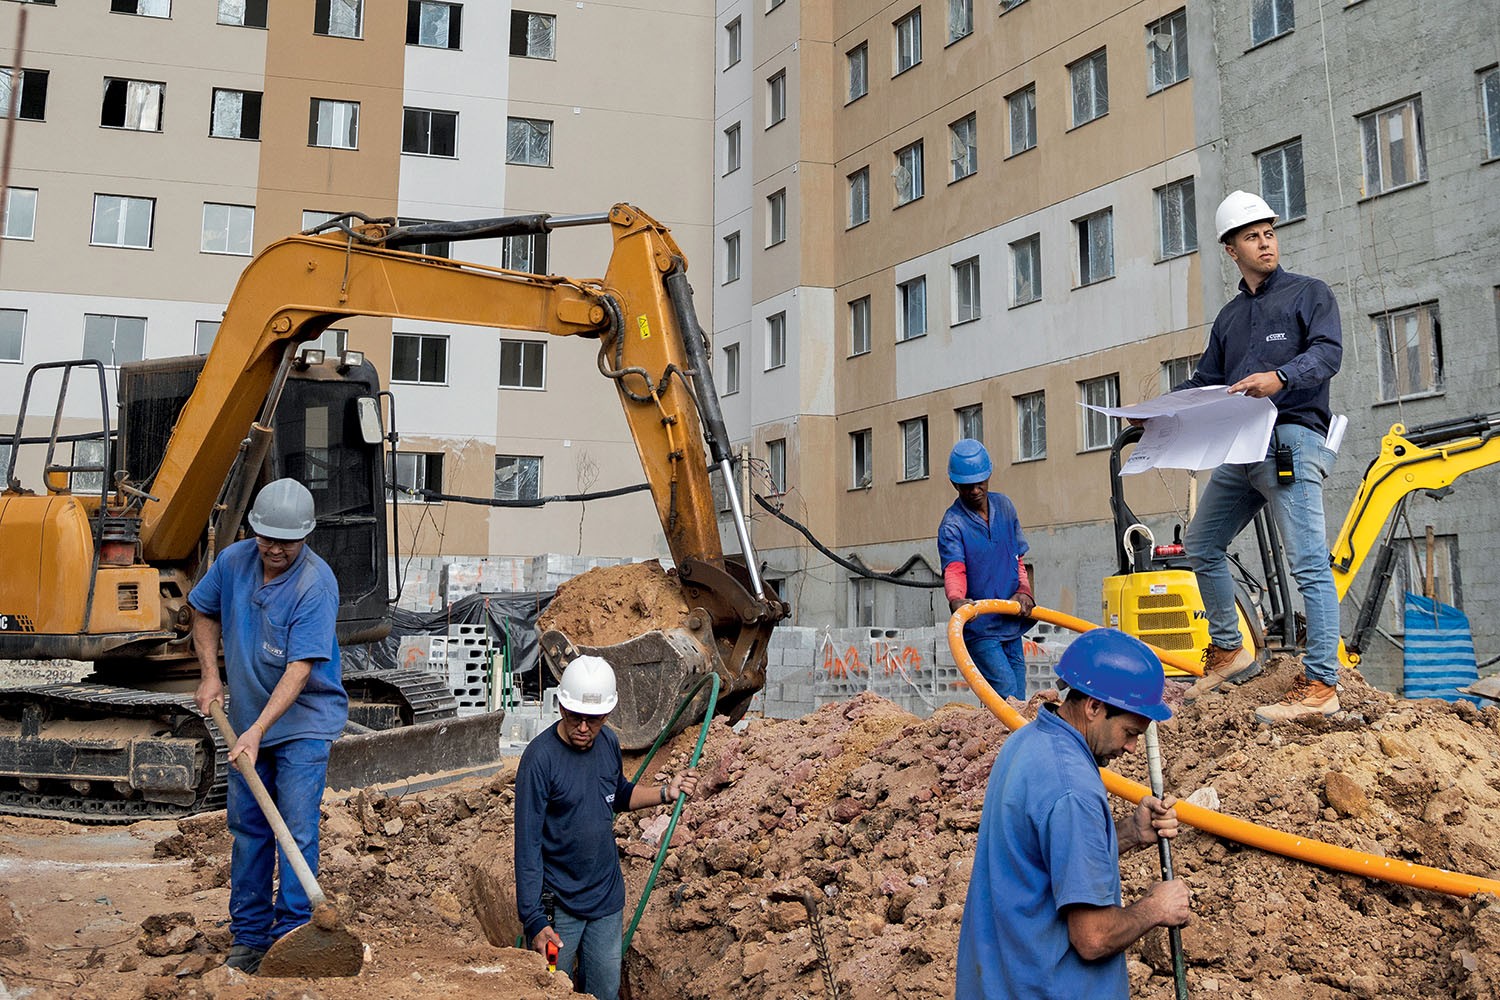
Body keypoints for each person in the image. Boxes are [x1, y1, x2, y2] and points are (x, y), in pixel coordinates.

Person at [1171, 190, 1344, 723]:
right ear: (1231, 250)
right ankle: (1230, 649)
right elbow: (1206, 383)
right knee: (1200, 543)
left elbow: (1328, 354)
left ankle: (1322, 683)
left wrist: (1282, 377)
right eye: (1252, 236)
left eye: (1269, 232)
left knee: (1309, 563)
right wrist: (1160, 413)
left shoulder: (1308, 294)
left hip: (1291, 438)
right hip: (1243, 447)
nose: (1265, 241)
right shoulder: (1229, 319)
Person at [955, 628, 1192, 998]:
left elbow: (1045, 864)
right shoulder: (1074, 789)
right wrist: (1155, 908)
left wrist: (1130, 832)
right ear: (1094, 707)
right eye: (1129, 731)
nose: (1131, 748)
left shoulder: (1026, 743)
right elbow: (1093, 938)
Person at [189, 478, 347, 975]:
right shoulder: (234, 561)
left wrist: (257, 729)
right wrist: (211, 675)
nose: (276, 549)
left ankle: (295, 934)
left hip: (303, 724)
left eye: (288, 540)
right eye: (267, 537)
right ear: (254, 529)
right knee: (249, 829)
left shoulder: (314, 585)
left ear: (306, 536)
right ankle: (250, 936)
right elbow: (202, 608)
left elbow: (300, 669)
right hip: (246, 723)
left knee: (295, 829)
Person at [514, 656, 698, 1000]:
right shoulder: (539, 760)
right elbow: (527, 847)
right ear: (561, 706)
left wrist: (664, 793)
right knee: (553, 988)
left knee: (604, 991)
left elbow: (618, 794)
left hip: (606, 905)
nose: (584, 727)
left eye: (594, 719)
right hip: (558, 909)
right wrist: (535, 921)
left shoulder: (609, 743)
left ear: (608, 714)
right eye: (575, 717)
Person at [938, 438, 1036, 699]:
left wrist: (1024, 591)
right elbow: (955, 569)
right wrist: (957, 600)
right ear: (955, 484)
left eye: (979, 482)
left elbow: (1017, 559)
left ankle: (1006, 740)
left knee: (1018, 699)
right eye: (967, 486)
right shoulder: (953, 524)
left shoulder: (1004, 507)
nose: (974, 490)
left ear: (989, 476)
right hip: (981, 628)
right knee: (1005, 693)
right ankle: (1001, 740)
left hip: (1009, 620)